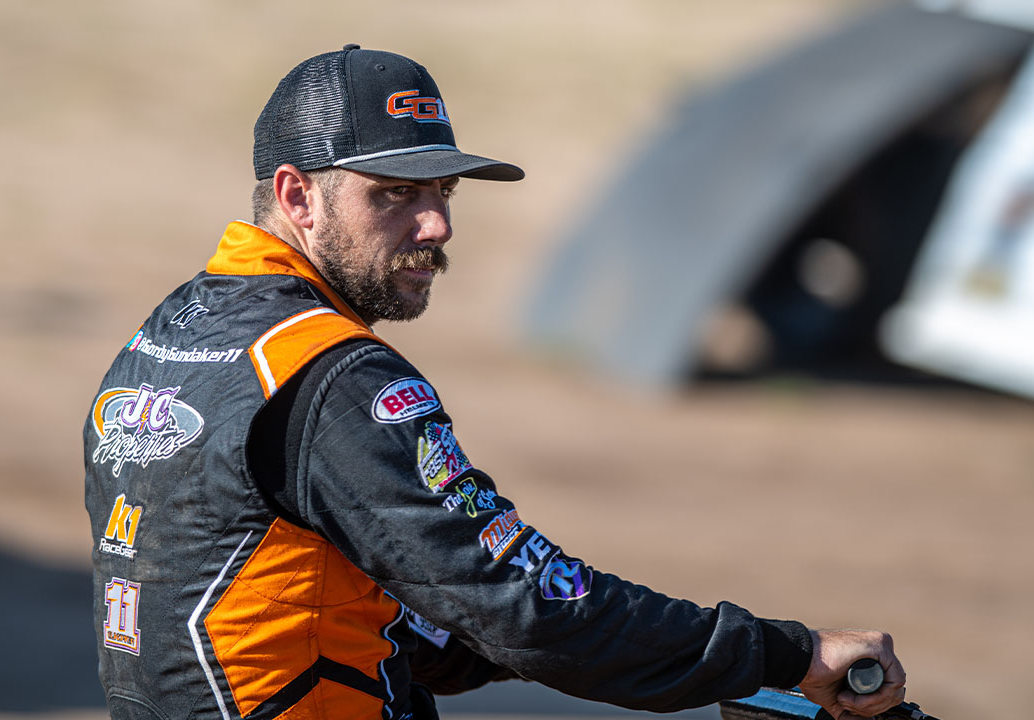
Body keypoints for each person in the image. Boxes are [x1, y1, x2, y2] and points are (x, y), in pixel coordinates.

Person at [83, 44, 906, 720]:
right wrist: (786, 653)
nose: (437, 223)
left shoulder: (165, 336)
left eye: (441, 189)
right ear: (298, 196)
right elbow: (525, 604)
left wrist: (499, 632)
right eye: (394, 193)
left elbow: (346, 593)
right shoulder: (329, 376)